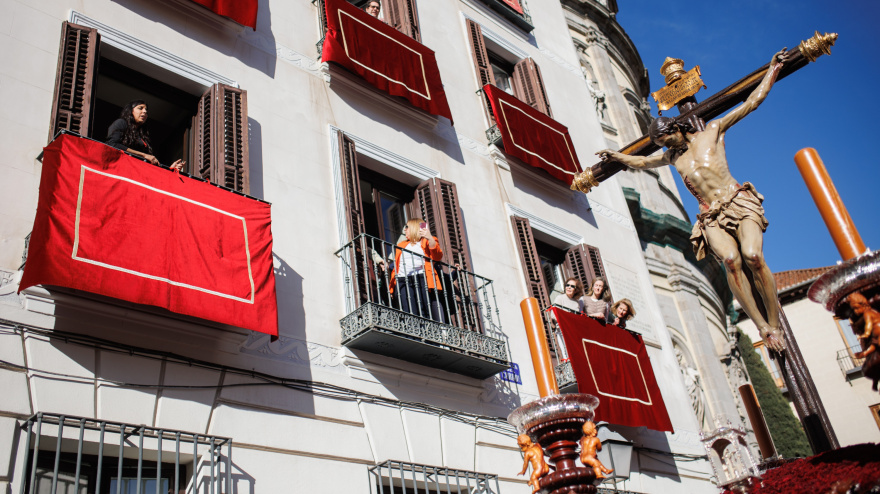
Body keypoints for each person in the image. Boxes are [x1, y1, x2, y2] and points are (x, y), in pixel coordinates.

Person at [596, 48, 788, 353]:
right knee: (730, 262)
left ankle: (774, 322)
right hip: (711, 215)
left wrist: (773, 71)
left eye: (665, 140)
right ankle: (763, 328)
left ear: (674, 129)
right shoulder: (674, 158)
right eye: (660, 144)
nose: (664, 147)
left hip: (736, 201)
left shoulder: (711, 132)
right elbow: (643, 163)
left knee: (752, 256)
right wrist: (618, 156)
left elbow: (751, 103)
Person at [106, 100, 184, 171]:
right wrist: (143, 155)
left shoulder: (143, 136)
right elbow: (112, 144)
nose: (144, 111)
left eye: (146, 110)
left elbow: (150, 163)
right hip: (121, 168)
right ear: (130, 111)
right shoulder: (121, 123)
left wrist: (170, 169)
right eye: (140, 108)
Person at [390, 218, 444, 321]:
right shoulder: (401, 245)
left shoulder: (426, 241)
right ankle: (413, 335)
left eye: (407, 227)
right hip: (402, 279)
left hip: (420, 277)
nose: (405, 230)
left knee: (423, 308)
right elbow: (397, 266)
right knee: (408, 310)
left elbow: (437, 256)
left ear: (414, 228)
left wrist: (429, 237)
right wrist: (392, 287)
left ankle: (425, 333)